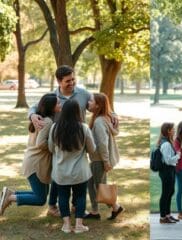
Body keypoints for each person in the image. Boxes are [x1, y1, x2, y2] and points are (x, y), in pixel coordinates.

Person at [28, 65, 92, 217]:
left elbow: (99, 103)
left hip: (78, 140)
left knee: (78, 174)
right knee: (58, 175)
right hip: (59, 142)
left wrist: (112, 114)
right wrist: (32, 115)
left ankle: (77, 206)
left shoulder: (83, 94)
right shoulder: (53, 97)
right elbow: (34, 107)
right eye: (67, 81)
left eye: (73, 79)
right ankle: (52, 206)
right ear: (59, 81)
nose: (72, 83)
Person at [0, 93, 61, 215]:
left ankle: (9, 194)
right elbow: (40, 143)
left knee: (41, 194)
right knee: (40, 199)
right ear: (51, 107)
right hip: (36, 163)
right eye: (58, 103)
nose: (61, 105)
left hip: (33, 160)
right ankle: (10, 197)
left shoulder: (39, 118)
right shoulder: (47, 121)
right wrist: (54, 147)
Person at [48, 99, 95, 233]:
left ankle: (67, 225)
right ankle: (79, 225)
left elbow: (51, 148)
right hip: (80, 171)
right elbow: (92, 149)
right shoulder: (84, 128)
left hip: (61, 170)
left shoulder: (54, 128)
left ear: (63, 111)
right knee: (80, 196)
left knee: (62, 197)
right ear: (77, 112)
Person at [85, 93, 123, 220]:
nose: (88, 103)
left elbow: (102, 143)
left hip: (99, 159)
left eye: (91, 101)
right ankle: (95, 211)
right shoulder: (102, 118)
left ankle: (116, 207)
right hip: (97, 159)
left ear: (98, 105)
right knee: (91, 185)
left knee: (100, 187)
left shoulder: (99, 121)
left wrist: (106, 161)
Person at [158, 122, 181, 224]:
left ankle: (168, 215)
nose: (175, 130)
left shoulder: (167, 142)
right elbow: (168, 160)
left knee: (170, 192)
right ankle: (163, 217)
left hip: (170, 170)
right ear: (168, 131)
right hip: (166, 171)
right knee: (166, 194)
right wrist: (178, 156)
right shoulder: (166, 144)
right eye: (173, 129)